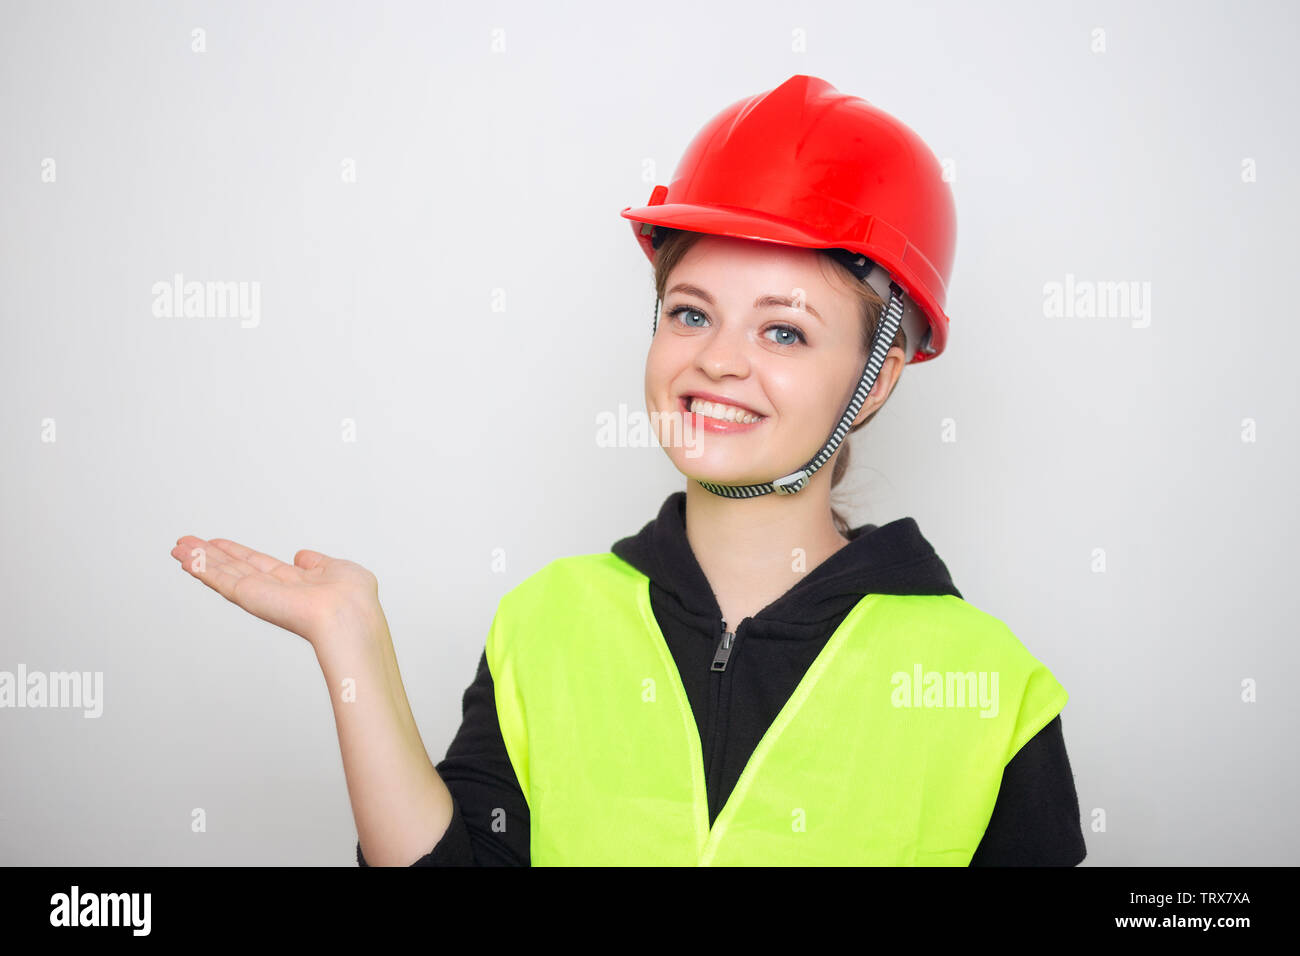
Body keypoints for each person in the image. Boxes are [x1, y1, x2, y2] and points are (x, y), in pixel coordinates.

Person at [170, 75, 1085, 866]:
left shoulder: (988, 688)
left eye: (783, 330)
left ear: (877, 373)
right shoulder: (546, 623)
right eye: (691, 313)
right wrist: (352, 647)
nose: (718, 361)